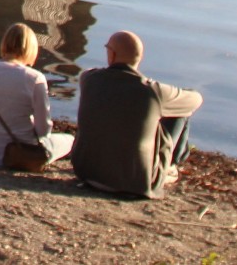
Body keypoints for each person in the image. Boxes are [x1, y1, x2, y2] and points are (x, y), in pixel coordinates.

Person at [70, 30, 203, 198]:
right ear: (139, 58)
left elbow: (99, 77)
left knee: (141, 113)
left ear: (111, 54)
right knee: (182, 110)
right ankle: (170, 165)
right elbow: (196, 100)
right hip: (135, 182)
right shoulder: (152, 92)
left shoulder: (88, 79)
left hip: (87, 172)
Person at [0, 23, 74, 170]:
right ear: (31, 49)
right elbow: (43, 130)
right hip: (16, 154)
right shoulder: (34, 78)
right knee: (70, 140)